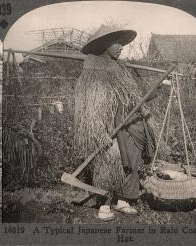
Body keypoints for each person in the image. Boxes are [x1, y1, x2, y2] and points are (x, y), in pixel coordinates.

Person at [73, 25, 156, 221]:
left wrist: (143, 110)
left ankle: (122, 200)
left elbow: (133, 96)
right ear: (104, 45)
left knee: (131, 162)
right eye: (116, 43)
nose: (121, 47)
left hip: (128, 125)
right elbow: (89, 108)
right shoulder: (93, 69)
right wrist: (99, 132)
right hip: (108, 126)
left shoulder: (123, 69)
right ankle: (105, 203)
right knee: (110, 162)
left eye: (122, 43)